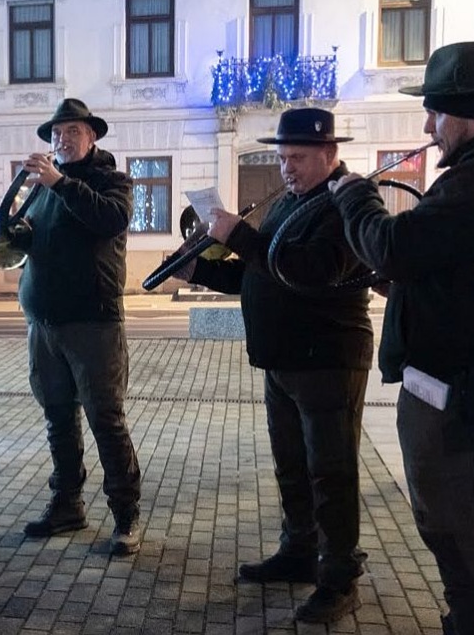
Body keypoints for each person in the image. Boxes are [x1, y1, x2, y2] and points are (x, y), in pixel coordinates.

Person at [330, 41, 474, 635]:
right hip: (464, 383)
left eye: (433, 113)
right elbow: (459, 275)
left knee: (461, 537)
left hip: (465, 391)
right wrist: (407, 290)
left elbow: (394, 245)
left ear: (465, 112)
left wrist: (355, 196)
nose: (428, 128)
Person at [174, 107, 372, 623]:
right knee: (292, 466)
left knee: (331, 473)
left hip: (327, 360)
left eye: (299, 158)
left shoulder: (345, 202)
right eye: (283, 158)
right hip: (282, 360)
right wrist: (198, 269)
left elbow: (311, 271)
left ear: (329, 154)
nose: (288, 167)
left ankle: (339, 577)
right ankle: (300, 551)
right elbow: (261, 274)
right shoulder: (289, 202)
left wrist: (239, 234)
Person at [14, 98, 143, 556]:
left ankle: (125, 516)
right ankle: (67, 503)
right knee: (58, 418)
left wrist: (61, 183)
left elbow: (110, 219)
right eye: (56, 134)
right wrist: (12, 230)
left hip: (94, 323)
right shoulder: (45, 188)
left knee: (106, 420)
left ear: (91, 137)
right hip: (44, 322)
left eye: (71, 132)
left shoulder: (113, 182)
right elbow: (28, 239)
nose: (61, 140)